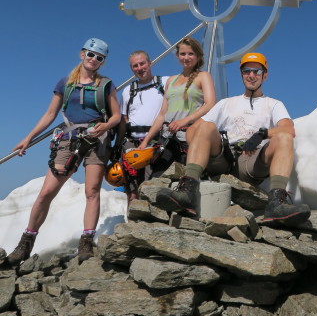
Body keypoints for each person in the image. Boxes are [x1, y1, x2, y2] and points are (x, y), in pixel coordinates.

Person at [155, 52, 310, 226]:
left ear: (265, 75)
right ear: (241, 74)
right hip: (224, 157)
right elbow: (195, 132)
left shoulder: (273, 104)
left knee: (284, 137)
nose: (251, 75)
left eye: (257, 71)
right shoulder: (226, 103)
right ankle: (187, 191)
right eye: (246, 71)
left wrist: (262, 135)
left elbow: (288, 128)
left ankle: (276, 203)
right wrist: (199, 138)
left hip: (251, 161)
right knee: (205, 126)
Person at [8, 38, 120, 264]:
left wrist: (106, 126)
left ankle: (86, 242)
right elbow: (50, 114)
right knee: (46, 192)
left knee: (92, 191)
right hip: (69, 139)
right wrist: (28, 139)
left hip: (96, 140)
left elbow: (116, 115)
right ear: (82, 54)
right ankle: (26, 242)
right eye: (91, 55)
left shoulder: (106, 85)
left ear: (103, 62)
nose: (94, 60)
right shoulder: (65, 83)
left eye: (99, 58)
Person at [137, 37, 215, 168]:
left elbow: (210, 104)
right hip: (166, 139)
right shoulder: (170, 80)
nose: (186, 57)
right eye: (183, 54)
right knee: (158, 179)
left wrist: (184, 121)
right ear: (178, 56)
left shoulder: (203, 76)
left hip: (188, 138)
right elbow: (162, 115)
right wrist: (146, 141)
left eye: (191, 54)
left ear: (198, 56)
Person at [114, 50, 168, 203]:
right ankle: (131, 224)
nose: (140, 68)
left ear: (150, 63)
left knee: (151, 186)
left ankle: (148, 224)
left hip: (155, 142)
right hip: (131, 143)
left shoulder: (165, 83)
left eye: (142, 63)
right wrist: (117, 145)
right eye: (135, 66)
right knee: (131, 189)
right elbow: (124, 119)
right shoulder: (128, 91)